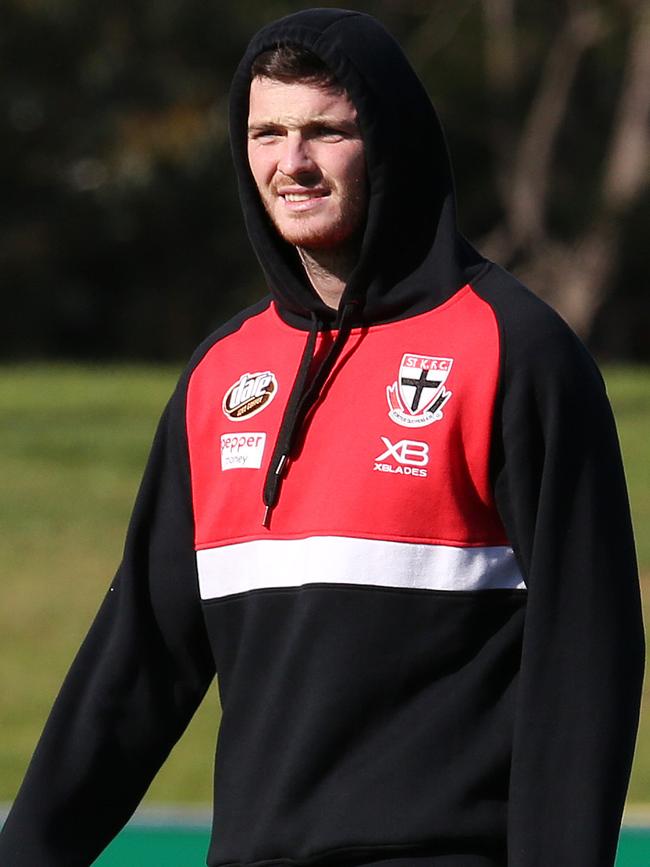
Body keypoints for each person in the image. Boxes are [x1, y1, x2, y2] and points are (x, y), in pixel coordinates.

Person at [0, 8, 644, 867]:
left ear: (388, 140)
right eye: (266, 131)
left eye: (324, 132)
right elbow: (138, 667)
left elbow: (586, 653)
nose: (290, 162)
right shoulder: (222, 374)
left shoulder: (513, 350)